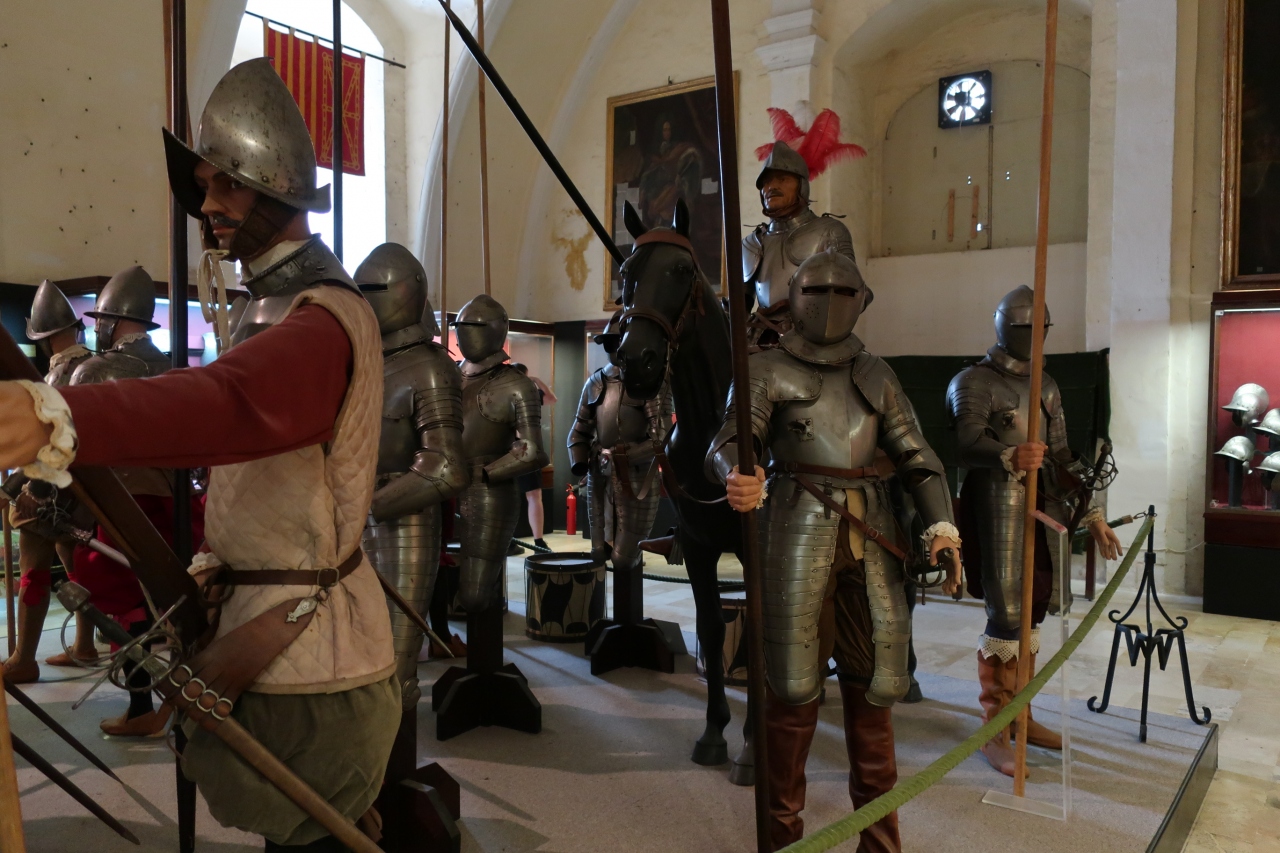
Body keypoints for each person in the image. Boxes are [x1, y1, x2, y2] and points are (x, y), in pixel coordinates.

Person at [0, 58, 397, 851]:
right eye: (207, 186)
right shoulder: (269, 306)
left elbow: (231, 402)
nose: (208, 205)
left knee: (313, 836)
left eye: (228, 186)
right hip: (263, 617)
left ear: (275, 186)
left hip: (311, 641)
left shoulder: (325, 314)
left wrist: (55, 414)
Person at [709, 250, 961, 852]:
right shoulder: (765, 367)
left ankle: (880, 844)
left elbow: (917, 455)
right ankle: (783, 842)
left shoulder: (877, 373)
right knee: (791, 695)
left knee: (877, 689)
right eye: (816, 290)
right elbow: (731, 438)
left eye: (842, 292)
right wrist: (736, 473)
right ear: (794, 297)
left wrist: (942, 527)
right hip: (793, 528)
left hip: (873, 535)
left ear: (862, 300)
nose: (828, 302)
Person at [947, 285, 1121, 778]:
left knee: (1033, 609)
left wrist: (1094, 516)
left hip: (1043, 504)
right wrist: (1009, 453)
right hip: (995, 501)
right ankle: (994, 728)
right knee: (1005, 614)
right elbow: (964, 443)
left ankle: (1019, 714)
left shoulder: (1046, 385)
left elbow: (1061, 455)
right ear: (1006, 326)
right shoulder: (973, 381)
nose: (1034, 335)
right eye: (1027, 327)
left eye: (1041, 328)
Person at [355, 241, 467, 772]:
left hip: (405, 521)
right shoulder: (363, 363)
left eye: (372, 289)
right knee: (359, 652)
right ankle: (364, 772)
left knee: (396, 665)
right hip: (352, 516)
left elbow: (446, 467)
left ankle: (395, 778)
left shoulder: (430, 367)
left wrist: (369, 506)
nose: (363, 299)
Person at [2, 280, 92, 684]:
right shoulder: (95, 366)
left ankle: (24, 658)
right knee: (79, 571)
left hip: (51, 490)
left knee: (34, 570)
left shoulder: (59, 377)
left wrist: (17, 490)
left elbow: (48, 444)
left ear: (41, 336)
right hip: (88, 492)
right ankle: (84, 643)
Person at [743, 140, 860, 349]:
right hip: (760, 340)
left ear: (802, 186)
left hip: (815, 341)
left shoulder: (828, 232)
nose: (772, 187)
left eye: (782, 179)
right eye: (766, 182)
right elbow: (739, 305)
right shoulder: (753, 243)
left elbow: (854, 294)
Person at [515, 374, 556, 551]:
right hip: (523, 448)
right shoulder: (528, 396)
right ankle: (537, 541)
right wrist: (536, 380)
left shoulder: (526, 396)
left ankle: (536, 541)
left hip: (521, 448)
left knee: (531, 496)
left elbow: (551, 399)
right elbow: (551, 398)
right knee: (532, 496)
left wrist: (537, 380)